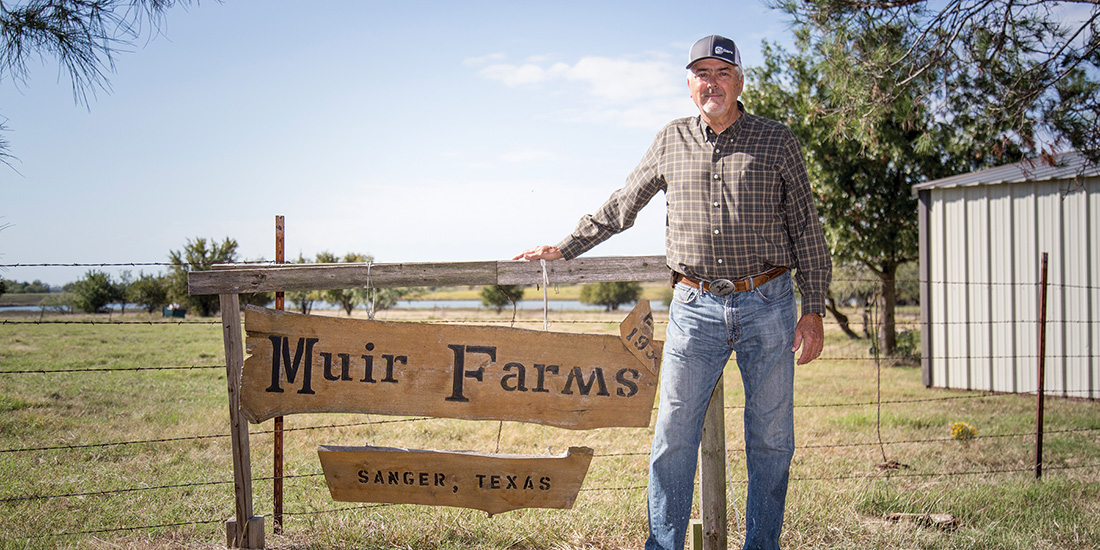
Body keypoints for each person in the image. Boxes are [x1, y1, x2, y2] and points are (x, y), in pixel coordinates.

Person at [514, 35, 832, 550]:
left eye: (722, 73)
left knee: (771, 439)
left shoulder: (778, 141)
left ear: (740, 82)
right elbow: (623, 204)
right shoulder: (671, 139)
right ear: (689, 86)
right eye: (702, 73)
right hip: (694, 307)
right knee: (673, 436)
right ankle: (663, 545)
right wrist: (565, 246)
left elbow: (808, 231)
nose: (713, 82)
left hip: (769, 304)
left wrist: (813, 309)